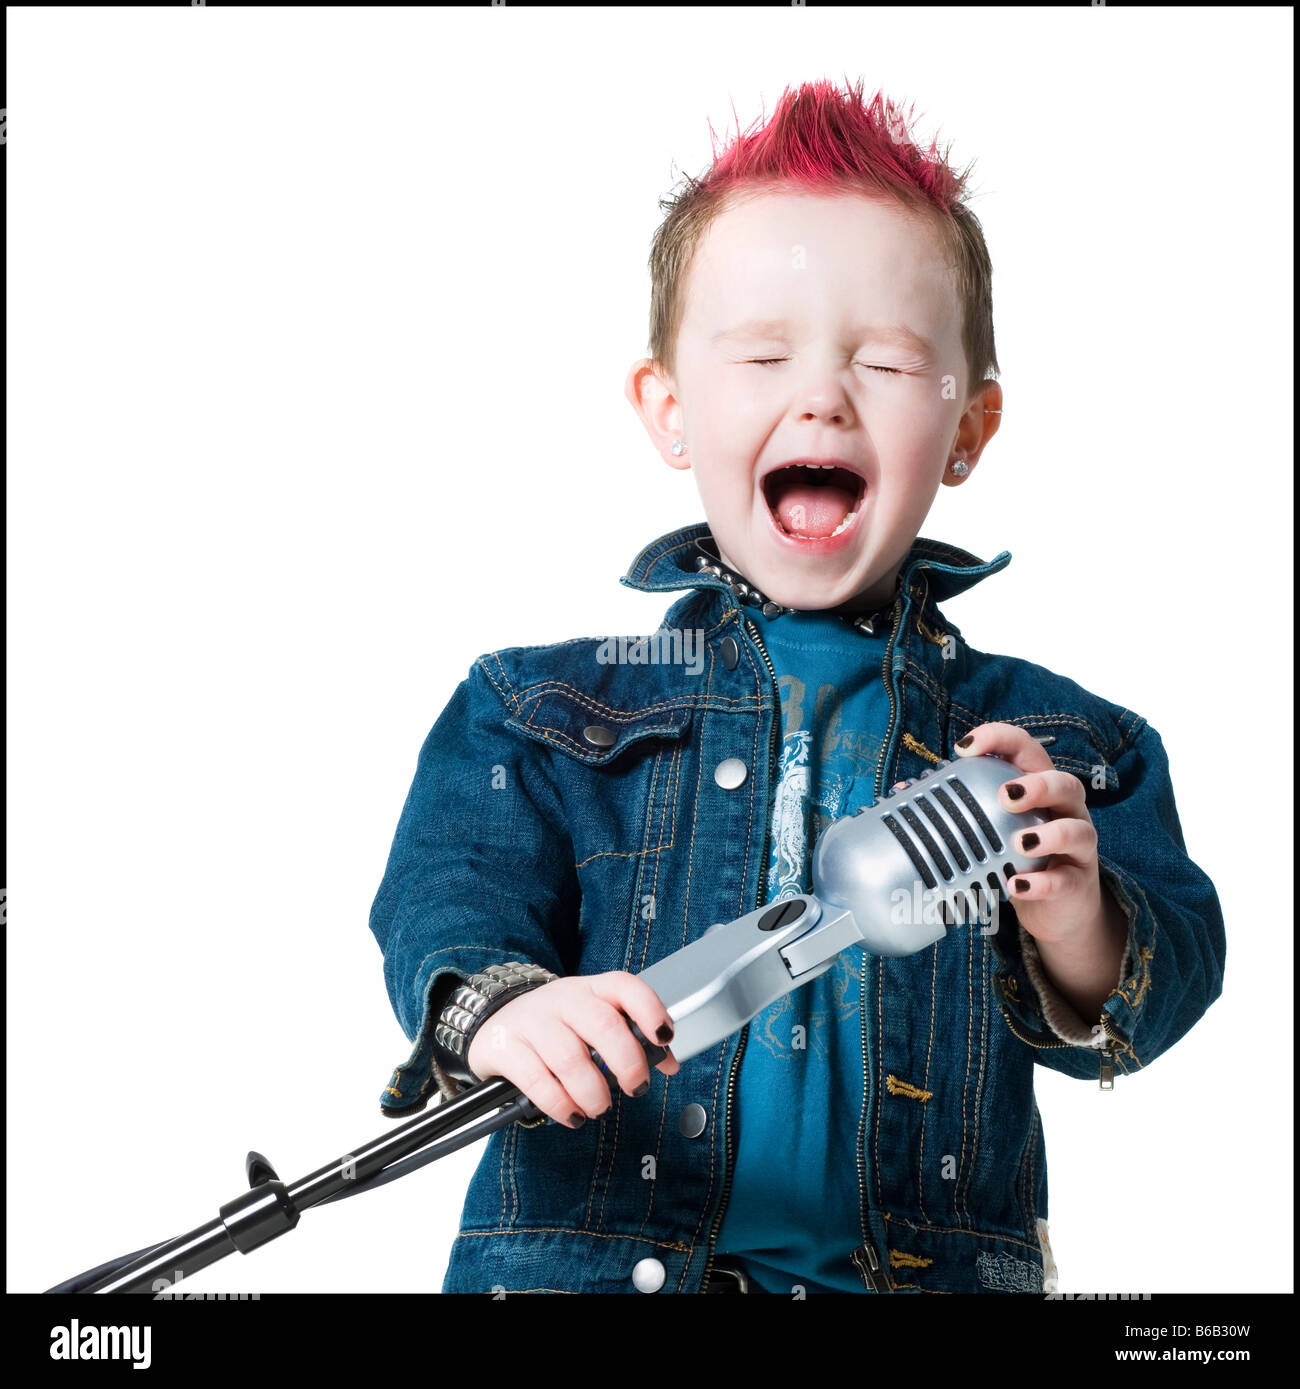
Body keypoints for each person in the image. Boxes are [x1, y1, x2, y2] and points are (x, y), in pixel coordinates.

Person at [367, 78, 1225, 1294]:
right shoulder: (539, 709)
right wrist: (501, 1011)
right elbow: (448, 900)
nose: (818, 394)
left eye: (882, 361)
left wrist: (1071, 918)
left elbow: (1164, 978)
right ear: (669, 410)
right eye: (763, 353)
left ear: (970, 428)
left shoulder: (1068, 747)